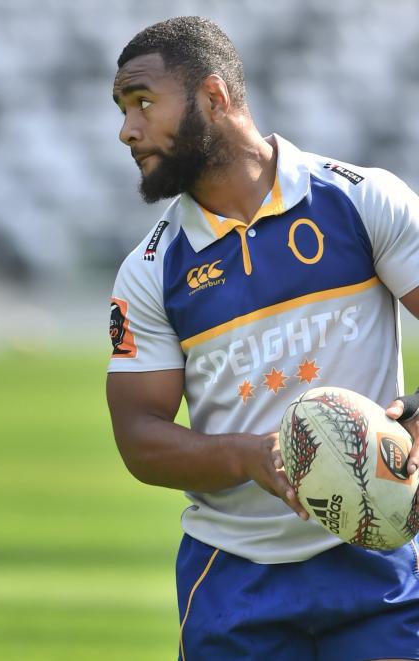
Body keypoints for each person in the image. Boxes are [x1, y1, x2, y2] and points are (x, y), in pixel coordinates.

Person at [106, 16, 419, 661]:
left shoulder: (363, 201)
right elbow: (139, 437)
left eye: (142, 102)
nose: (127, 129)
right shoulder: (148, 270)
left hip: (379, 560)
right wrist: (248, 457)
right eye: (122, 109)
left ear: (214, 99)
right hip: (234, 579)